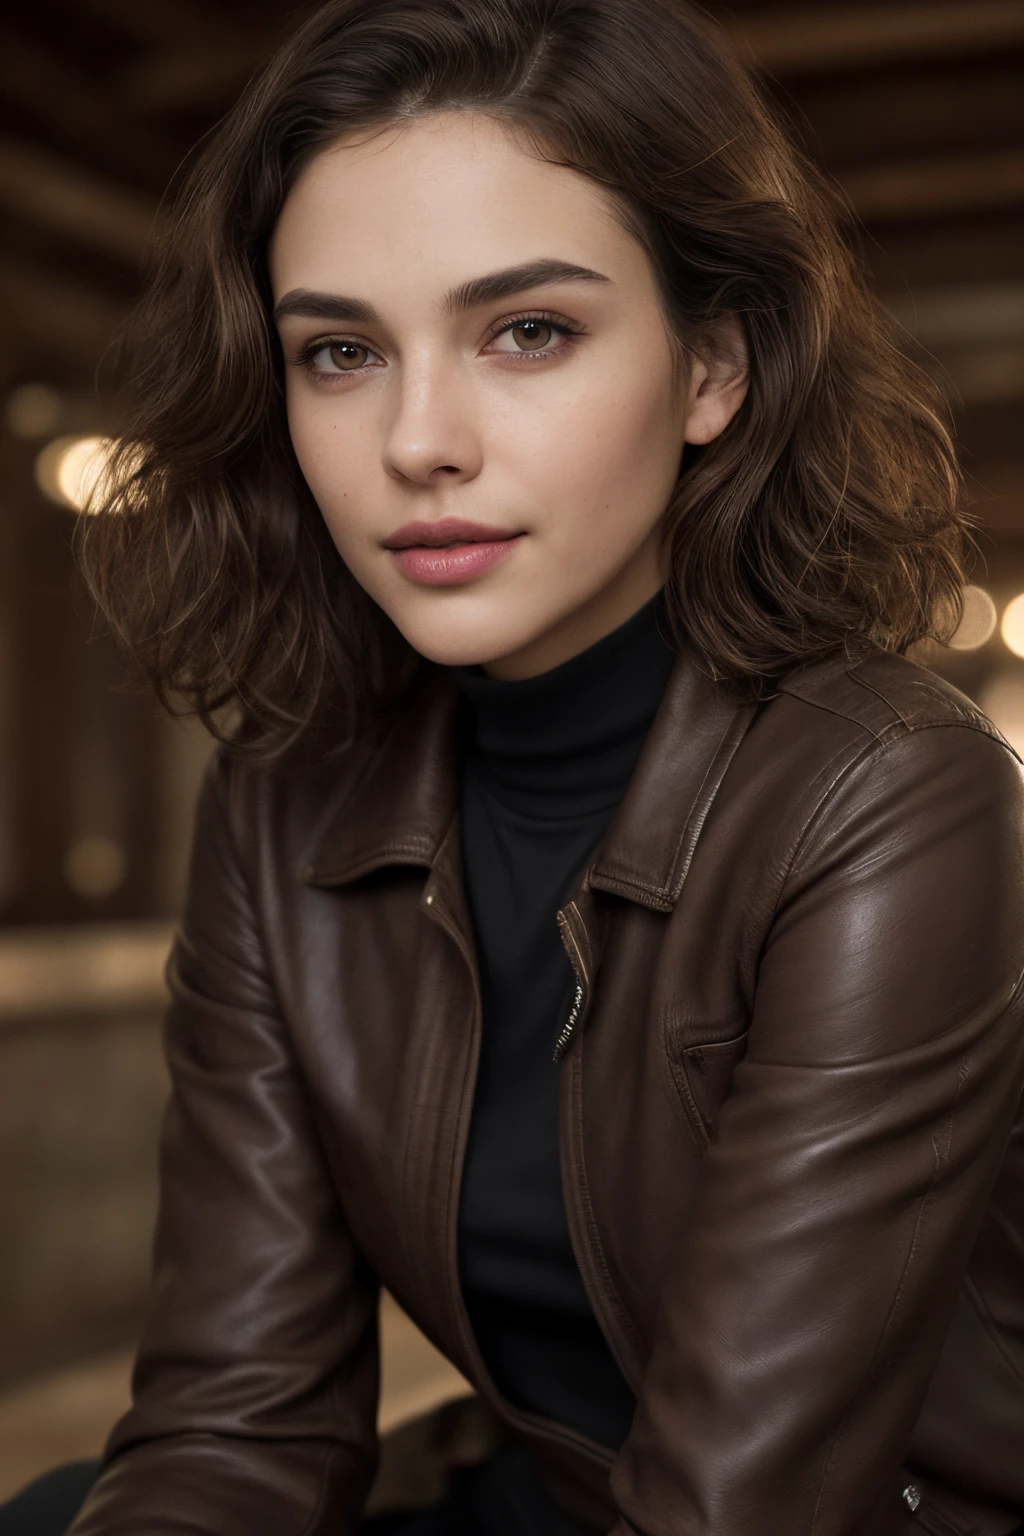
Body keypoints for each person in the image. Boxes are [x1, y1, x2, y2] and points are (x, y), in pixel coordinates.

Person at [5, 0, 1024, 1532]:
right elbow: (240, 1421)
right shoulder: (283, 803)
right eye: (339, 351)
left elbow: (740, 1508)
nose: (419, 439)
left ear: (712, 374)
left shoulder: (893, 796)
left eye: (528, 331)